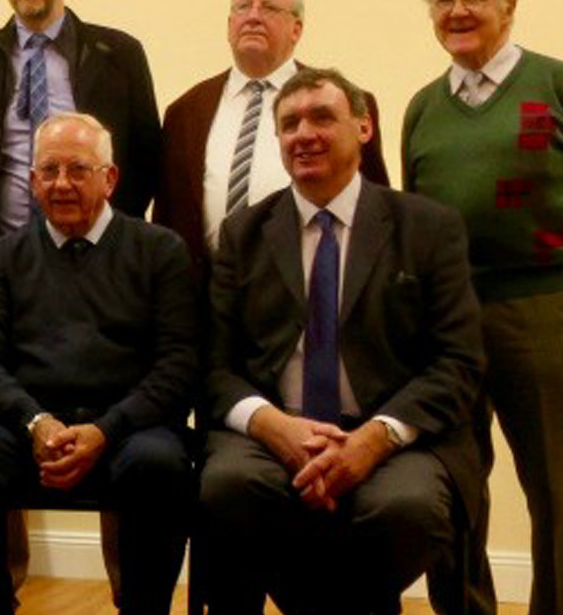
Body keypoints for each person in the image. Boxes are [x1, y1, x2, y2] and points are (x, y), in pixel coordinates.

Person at [199, 68, 485, 615]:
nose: (303, 133)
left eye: (322, 118)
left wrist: (375, 439)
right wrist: (274, 426)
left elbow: (458, 361)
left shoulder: (427, 227)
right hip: (278, 428)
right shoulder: (245, 235)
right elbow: (215, 366)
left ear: (364, 128)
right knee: (229, 487)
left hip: (397, 433)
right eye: (289, 124)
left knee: (408, 506)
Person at [403, 0, 563, 615]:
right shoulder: (422, 107)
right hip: (450, 326)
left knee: (555, 494)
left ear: (509, 6)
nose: (458, 11)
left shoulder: (561, 86)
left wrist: (558, 279)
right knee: (454, 486)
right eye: (443, 1)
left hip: (542, 314)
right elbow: (415, 217)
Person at [0, 113, 196, 615]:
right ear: (32, 182)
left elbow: (178, 364)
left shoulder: (159, 250)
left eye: (78, 169)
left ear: (110, 178)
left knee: (160, 467)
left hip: (128, 428)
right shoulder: (4, 255)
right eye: (48, 171)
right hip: (27, 425)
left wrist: (106, 429)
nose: (62, 184)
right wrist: (35, 421)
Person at [0, 0, 160, 288]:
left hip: (102, 259)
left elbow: (146, 156)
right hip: (5, 258)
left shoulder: (119, 55)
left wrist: (111, 232)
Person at [155, 0, 390, 287]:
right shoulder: (185, 111)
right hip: (209, 300)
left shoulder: (343, 104)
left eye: (269, 8)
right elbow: (168, 215)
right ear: (228, 27)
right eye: (242, 7)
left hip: (311, 292)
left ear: (296, 29)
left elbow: (375, 207)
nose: (252, 17)